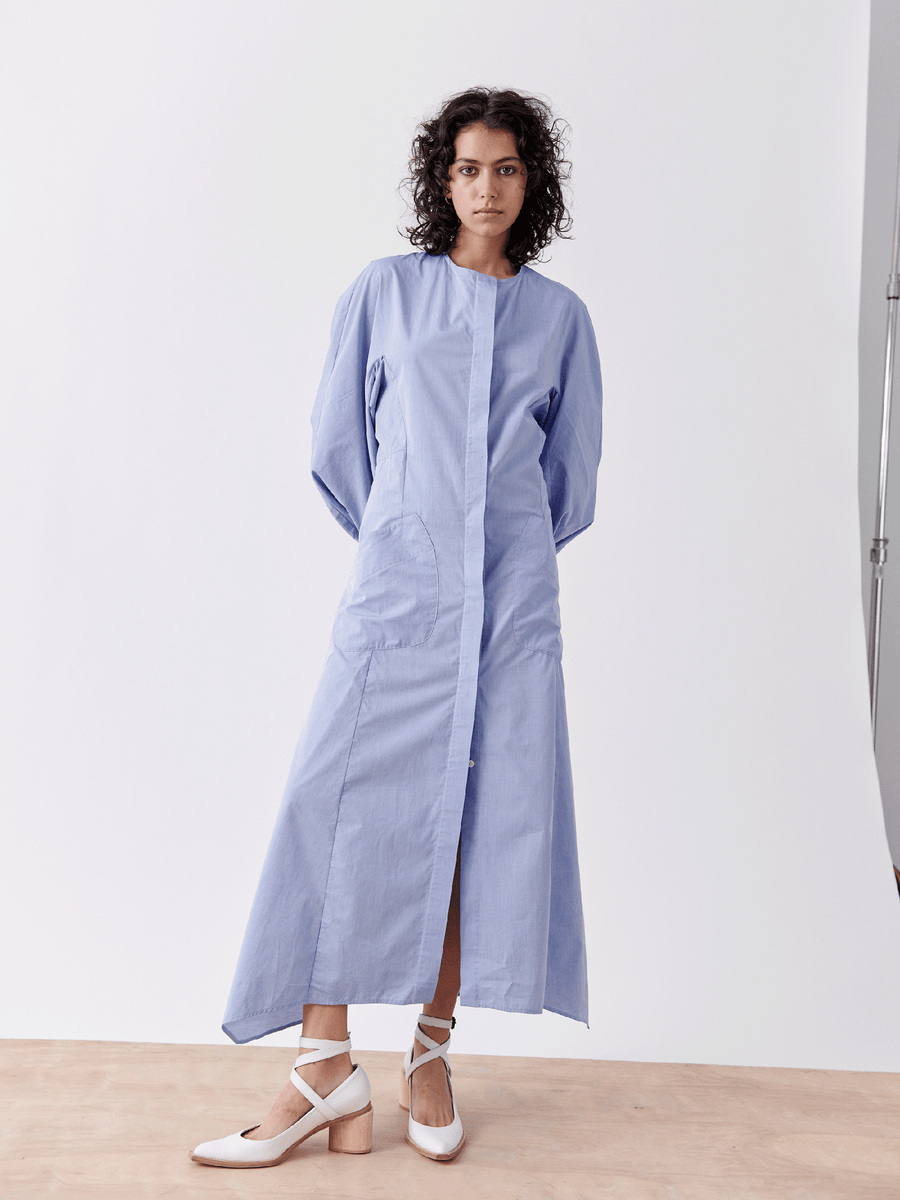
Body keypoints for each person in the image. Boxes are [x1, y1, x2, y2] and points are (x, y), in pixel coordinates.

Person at [190, 85, 603, 1169]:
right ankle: (324, 1066)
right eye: (468, 168)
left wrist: (491, 555)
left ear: (531, 182)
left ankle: (427, 1049)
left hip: (510, 603)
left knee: (477, 818)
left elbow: (570, 484)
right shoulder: (384, 292)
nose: (486, 187)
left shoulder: (560, 319)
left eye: (506, 168)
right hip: (399, 593)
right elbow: (340, 452)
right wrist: (412, 538)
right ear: (442, 179)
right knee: (334, 806)